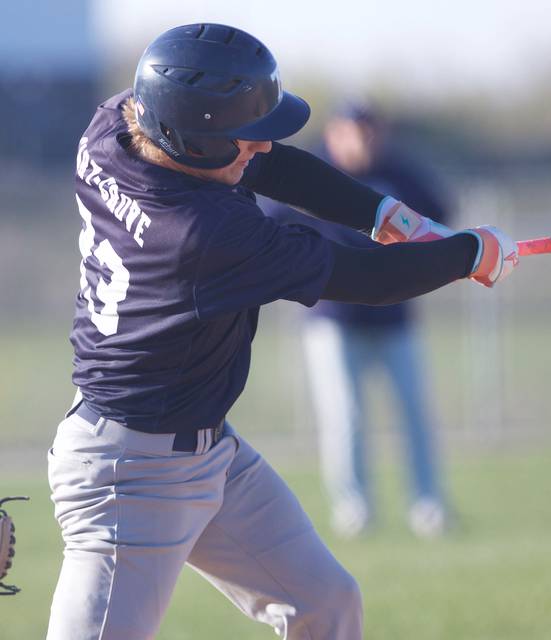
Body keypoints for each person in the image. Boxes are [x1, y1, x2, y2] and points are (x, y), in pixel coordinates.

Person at [46, 23, 518, 640]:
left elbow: (274, 167)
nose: (262, 145)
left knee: (325, 605)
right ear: (192, 139)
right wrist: (468, 254)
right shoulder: (204, 235)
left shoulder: (113, 129)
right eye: (245, 134)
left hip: (208, 451)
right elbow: (367, 279)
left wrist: (383, 212)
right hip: (130, 475)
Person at [263, 102, 452, 539]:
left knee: (414, 413)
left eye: (369, 131)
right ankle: (354, 508)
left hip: (395, 317)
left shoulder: (398, 174)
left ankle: (428, 505)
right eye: (353, 131)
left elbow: (440, 214)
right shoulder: (310, 171)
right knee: (344, 416)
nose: (362, 140)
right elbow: (269, 220)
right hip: (332, 318)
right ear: (334, 133)